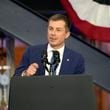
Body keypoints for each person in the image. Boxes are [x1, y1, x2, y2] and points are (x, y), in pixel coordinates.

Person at [14, 14, 85, 76]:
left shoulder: (76, 59)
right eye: (51, 29)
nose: (53, 33)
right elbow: (16, 78)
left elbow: (79, 87)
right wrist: (26, 74)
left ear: (67, 34)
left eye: (58, 30)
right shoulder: (31, 52)